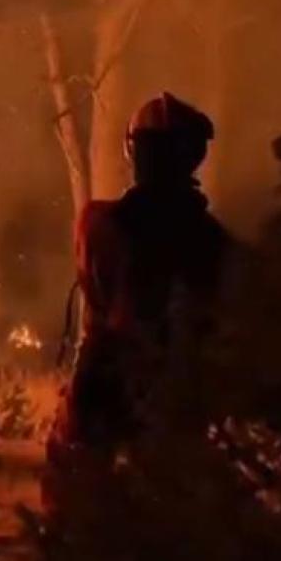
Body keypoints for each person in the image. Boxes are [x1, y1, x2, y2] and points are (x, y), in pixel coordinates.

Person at [40, 92, 232, 523]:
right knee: (171, 502)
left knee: (74, 491)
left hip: (103, 378)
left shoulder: (97, 222)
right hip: (173, 385)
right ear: (193, 156)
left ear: (134, 152)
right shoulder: (208, 239)